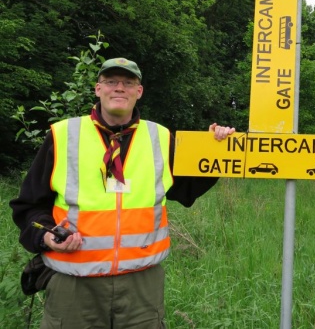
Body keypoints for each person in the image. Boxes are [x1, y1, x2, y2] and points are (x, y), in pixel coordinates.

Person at [10, 57, 236, 329]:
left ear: (138, 92)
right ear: (98, 89)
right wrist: (46, 235)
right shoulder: (62, 135)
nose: (120, 88)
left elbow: (187, 189)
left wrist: (214, 149)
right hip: (74, 281)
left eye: (128, 83)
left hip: (141, 285)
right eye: (111, 82)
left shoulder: (161, 137)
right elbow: (28, 206)